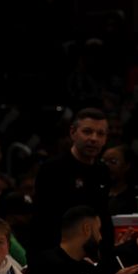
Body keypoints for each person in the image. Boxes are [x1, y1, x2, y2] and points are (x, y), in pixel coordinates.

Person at [30, 107, 113, 260]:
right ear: (73, 132)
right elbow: (44, 221)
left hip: (93, 255)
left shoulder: (103, 171)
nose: (94, 138)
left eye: (100, 134)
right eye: (87, 131)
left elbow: (102, 215)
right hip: (56, 256)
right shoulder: (53, 169)